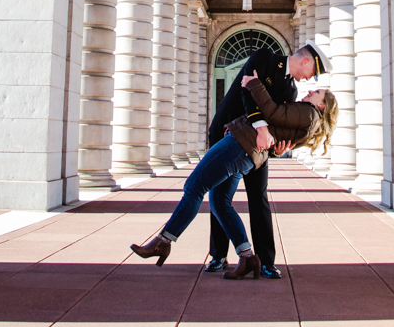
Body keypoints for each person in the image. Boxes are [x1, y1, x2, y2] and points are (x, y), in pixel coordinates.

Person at [129, 74, 338, 278]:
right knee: (219, 201)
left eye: (317, 92)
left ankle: (163, 241)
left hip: (239, 145)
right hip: (247, 153)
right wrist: (277, 150)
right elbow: (276, 135)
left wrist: (254, 83)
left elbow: (272, 112)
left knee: (194, 186)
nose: (311, 90)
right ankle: (247, 257)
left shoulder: (308, 113)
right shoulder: (309, 119)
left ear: (322, 105)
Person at [210, 42, 331, 278]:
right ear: (306, 61)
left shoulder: (291, 92)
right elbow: (247, 94)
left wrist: (278, 147)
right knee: (220, 195)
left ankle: (266, 261)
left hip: (257, 146)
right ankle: (218, 255)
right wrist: (263, 127)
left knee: (259, 197)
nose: (308, 79)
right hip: (227, 132)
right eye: (311, 73)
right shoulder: (264, 57)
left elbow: (277, 120)